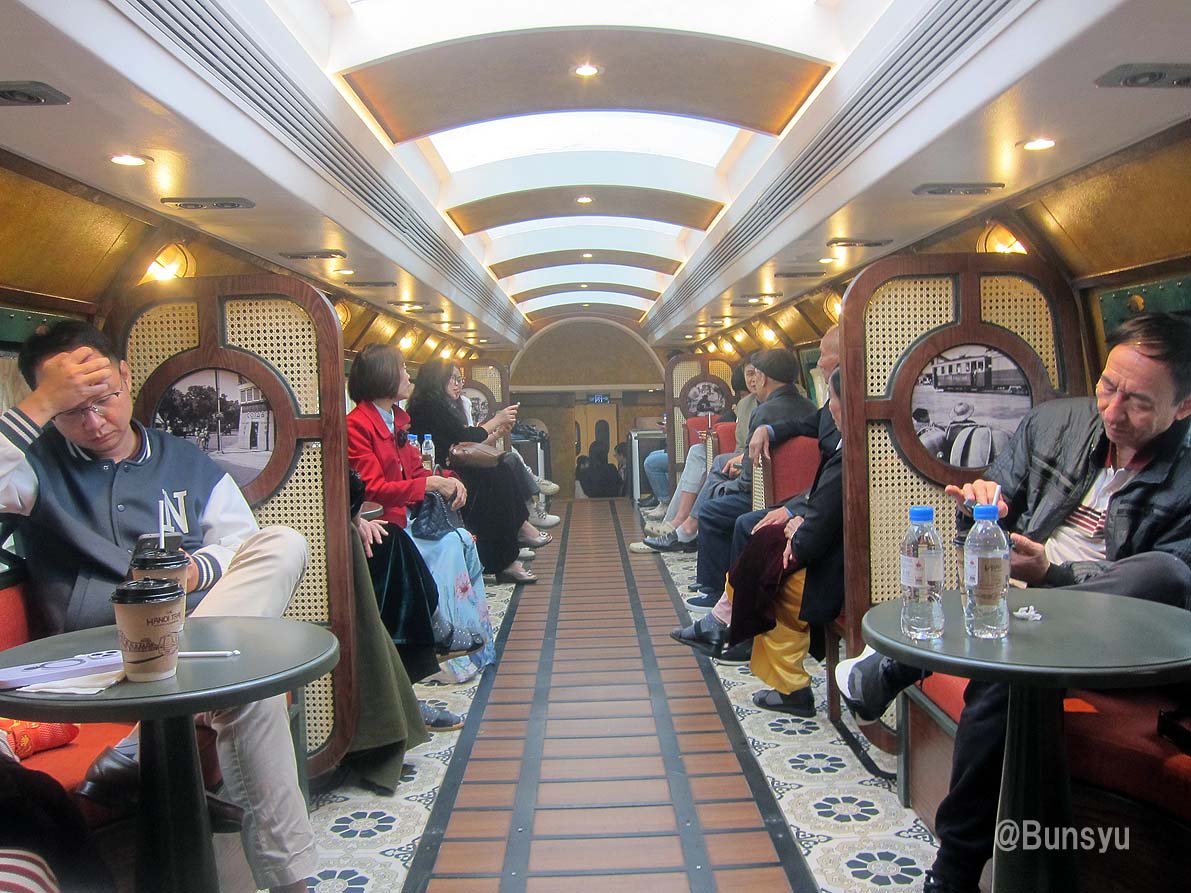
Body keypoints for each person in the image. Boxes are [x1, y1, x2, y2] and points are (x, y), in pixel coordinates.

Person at [835, 311, 1191, 893]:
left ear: (1184, 406)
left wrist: (1054, 573)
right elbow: (978, 529)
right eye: (1108, 386)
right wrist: (985, 512)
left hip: (1120, 639)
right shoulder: (1054, 424)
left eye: (1139, 403)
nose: (1112, 411)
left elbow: (1170, 593)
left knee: (1164, 574)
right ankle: (955, 873)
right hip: (1017, 610)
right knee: (1011, 667)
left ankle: (894, 670)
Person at [0, 321, 313, 893]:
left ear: (125, 375)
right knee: (248, 689)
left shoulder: (184, 461)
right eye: (72, 410)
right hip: (101, 659)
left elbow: (242, 541)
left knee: (284, 543)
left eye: (103, 398)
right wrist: (40, 404)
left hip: (197, 641)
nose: (95, 421)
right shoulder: (34, 468)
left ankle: (153, 730)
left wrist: (195, 571)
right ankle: (294, 884)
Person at [670, 367, 845, 717]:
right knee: (764, 538)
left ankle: (786, 683)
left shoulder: (851, 458)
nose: (829, 406)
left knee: (770, 577)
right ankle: (722, 621)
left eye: (833, 396)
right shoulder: (840, 436)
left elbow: (817, 528)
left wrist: (798, 529)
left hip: (837, 563)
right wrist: (795, 517)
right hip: (823, 528)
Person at [346, 344, 494, 696]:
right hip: (384, 523)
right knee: (448, 546)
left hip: (408, 515)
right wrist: (429, 484)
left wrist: (447, 480)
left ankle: (470, 646)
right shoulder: (357, 427)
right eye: (401, 369)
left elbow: (415, 470)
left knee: (461, 539)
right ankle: (441, 647)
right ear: (383, 375)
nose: (407, 376)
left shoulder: (397, 421)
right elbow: (372, 489)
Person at [406, 358, 543, 583]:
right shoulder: (428, 407)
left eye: (459, 379)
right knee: (496, 477)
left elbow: (467, 443)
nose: (458, 384)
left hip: (454, 466)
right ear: (437, 380)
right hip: (441, 472)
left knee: (502, 468)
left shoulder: (445, 406)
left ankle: (515, 538)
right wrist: (497, 419)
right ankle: (510, 548)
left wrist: (497, 432)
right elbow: (465, 437)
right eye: (452, 378)